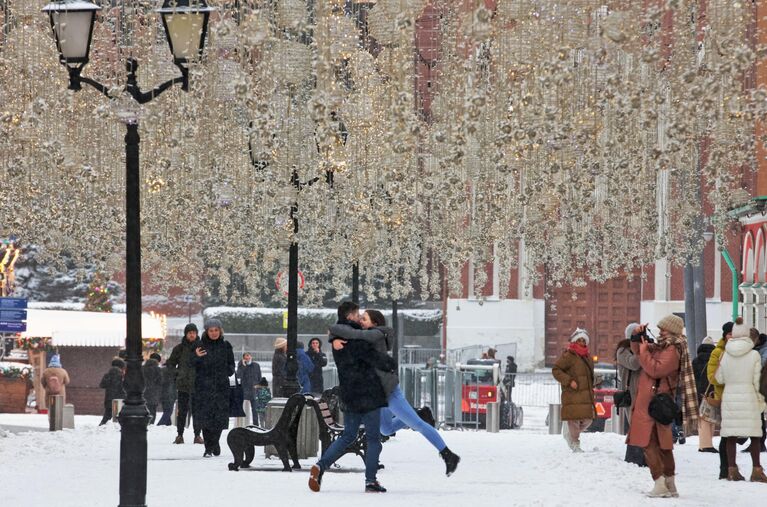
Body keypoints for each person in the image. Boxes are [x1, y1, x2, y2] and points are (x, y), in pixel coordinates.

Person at [330, 304, 460, 476]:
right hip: (378, 392)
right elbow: (351, 338)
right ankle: (420, 413)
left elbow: (354, 334)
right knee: (385, 429)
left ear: (374, 323)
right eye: (360, 317)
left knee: (418, 425)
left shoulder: (376, 334)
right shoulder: (367, 335)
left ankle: (448, 454)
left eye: (364, 318)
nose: (360, 321)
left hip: (389, 391)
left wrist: (332, 333)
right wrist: (335, 339)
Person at [309, 302, 396, 493]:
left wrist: (332, 339)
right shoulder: (356, 338)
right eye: (357, 314)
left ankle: (320, 466)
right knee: (373, 439)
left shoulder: (338, 339)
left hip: (349, 392)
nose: (359, 317)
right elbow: (373, 357)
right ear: (349, 316)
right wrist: (390, 364)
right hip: (368, 392)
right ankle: (370, 481)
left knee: (348, 435)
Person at [627, 315, 698, 498]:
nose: (659, 332)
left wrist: (644, 352)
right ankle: (668, 484)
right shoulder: (663, 346)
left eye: (663, 329)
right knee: (661, 443)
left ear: (672, 331)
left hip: (655, 404)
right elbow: (639, 352)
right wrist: (637, 337)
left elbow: (655, 369)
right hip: (652, 402)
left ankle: (660, 483)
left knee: (650, 443)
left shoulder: (673, 349)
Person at [715, 317, 767, 482]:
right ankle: (756, 470)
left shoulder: (725, 355)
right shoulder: (754, 355)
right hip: (750, 397)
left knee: (731, 436)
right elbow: (756, 379)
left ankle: (731, 470)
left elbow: (719, 378)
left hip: (730, 397)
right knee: (755, 436)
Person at [192, 318, 235, 457]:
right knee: (206, 418)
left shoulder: (226, 346)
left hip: (221, 387)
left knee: (220, 418)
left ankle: (215, 442)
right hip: (204, 388)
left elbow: (231, 367)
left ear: (220, 331)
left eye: (216, 330)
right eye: (211, 330)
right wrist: (197, 357)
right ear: (207, 331)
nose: (214, 333)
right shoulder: (200, 345)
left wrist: (226, 370)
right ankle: (208, 448)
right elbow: (192, 366)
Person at [552, 328, 596, 453]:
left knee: (588, 419)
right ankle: (575, 443)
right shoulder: (568, 356)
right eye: (579, 340)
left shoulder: (588, 357)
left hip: (585, 395)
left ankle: (570, 433)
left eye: (583, 340)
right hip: (572, 394)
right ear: (575, 341)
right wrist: (569, 381)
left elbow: (588, 375)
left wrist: (595, 380)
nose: (581, 342)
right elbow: (556, 370)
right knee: (574, 420)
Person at [166, 323, 203, 444]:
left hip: (198, 384)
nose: (192, 335)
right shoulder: (179, 348)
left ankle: (197, 435)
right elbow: (170, 364)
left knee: (197, 411)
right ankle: (180, 434)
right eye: (190, 332)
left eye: (194, 332)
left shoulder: (202, 347)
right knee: (182, 411)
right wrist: (178, 374)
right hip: (183, 384)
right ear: (186, 334)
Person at [708, 321, 734, 479]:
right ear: (725, 335)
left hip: (740, 398)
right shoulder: (718, 352)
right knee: (726, 435)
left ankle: (732, 467)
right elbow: (712, 378)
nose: (732, 337)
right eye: (730, 334)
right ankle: (725, 469)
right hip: (724, 399)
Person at [616, 323, 645, 466]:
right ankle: (634, 456)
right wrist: (641, 350)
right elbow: (634, 364)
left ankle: (643, 455)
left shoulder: (642, 347)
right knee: (635, 424)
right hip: (631, 393)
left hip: (643, 390)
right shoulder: (623, 351)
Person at [693, 336, 717, 453]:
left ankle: (704, 443)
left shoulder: (695, 360)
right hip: (711, 391)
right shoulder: (715, 359)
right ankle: (707, 444)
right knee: (710, 418)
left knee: (702, 418)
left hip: (698, 392)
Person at [236, 352, 262, 425]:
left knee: (255, 410)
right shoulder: (241, 365)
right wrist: (243, 366)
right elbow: (238, 375)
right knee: (244, 409)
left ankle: (256, 424)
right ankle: (243, 424)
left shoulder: (256, 365)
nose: (248, 358)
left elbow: (259, 377)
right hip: (245, 390)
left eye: (249, 356)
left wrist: (259, 387)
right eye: (246, 357)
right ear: (243, 358)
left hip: (254, 390)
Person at [99, 358, 126, 425]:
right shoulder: (121, 376)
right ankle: (115, 434)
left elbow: (102, 385)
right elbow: (125, 388)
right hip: (118, 399)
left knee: (106, 417)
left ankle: (100, 429)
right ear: (121, 367)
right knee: (118, 421)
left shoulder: (107, 375)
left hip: (109, 399)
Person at [142, 352, 163, 424]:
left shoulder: (142, 368)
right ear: (157, 361)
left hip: (143, 392)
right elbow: (160, 382)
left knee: (143, 408)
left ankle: (144, 422)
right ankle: (151, 423)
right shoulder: (158, 370)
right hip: (154, 393)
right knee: (152, 409)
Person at [157, 356, 177, 426]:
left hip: (162, 393)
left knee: (166, 410)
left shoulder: (162, 370)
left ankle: (168, 425)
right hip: (171, 394)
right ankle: (159, 425)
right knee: (168, 411)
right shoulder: (175, 371)